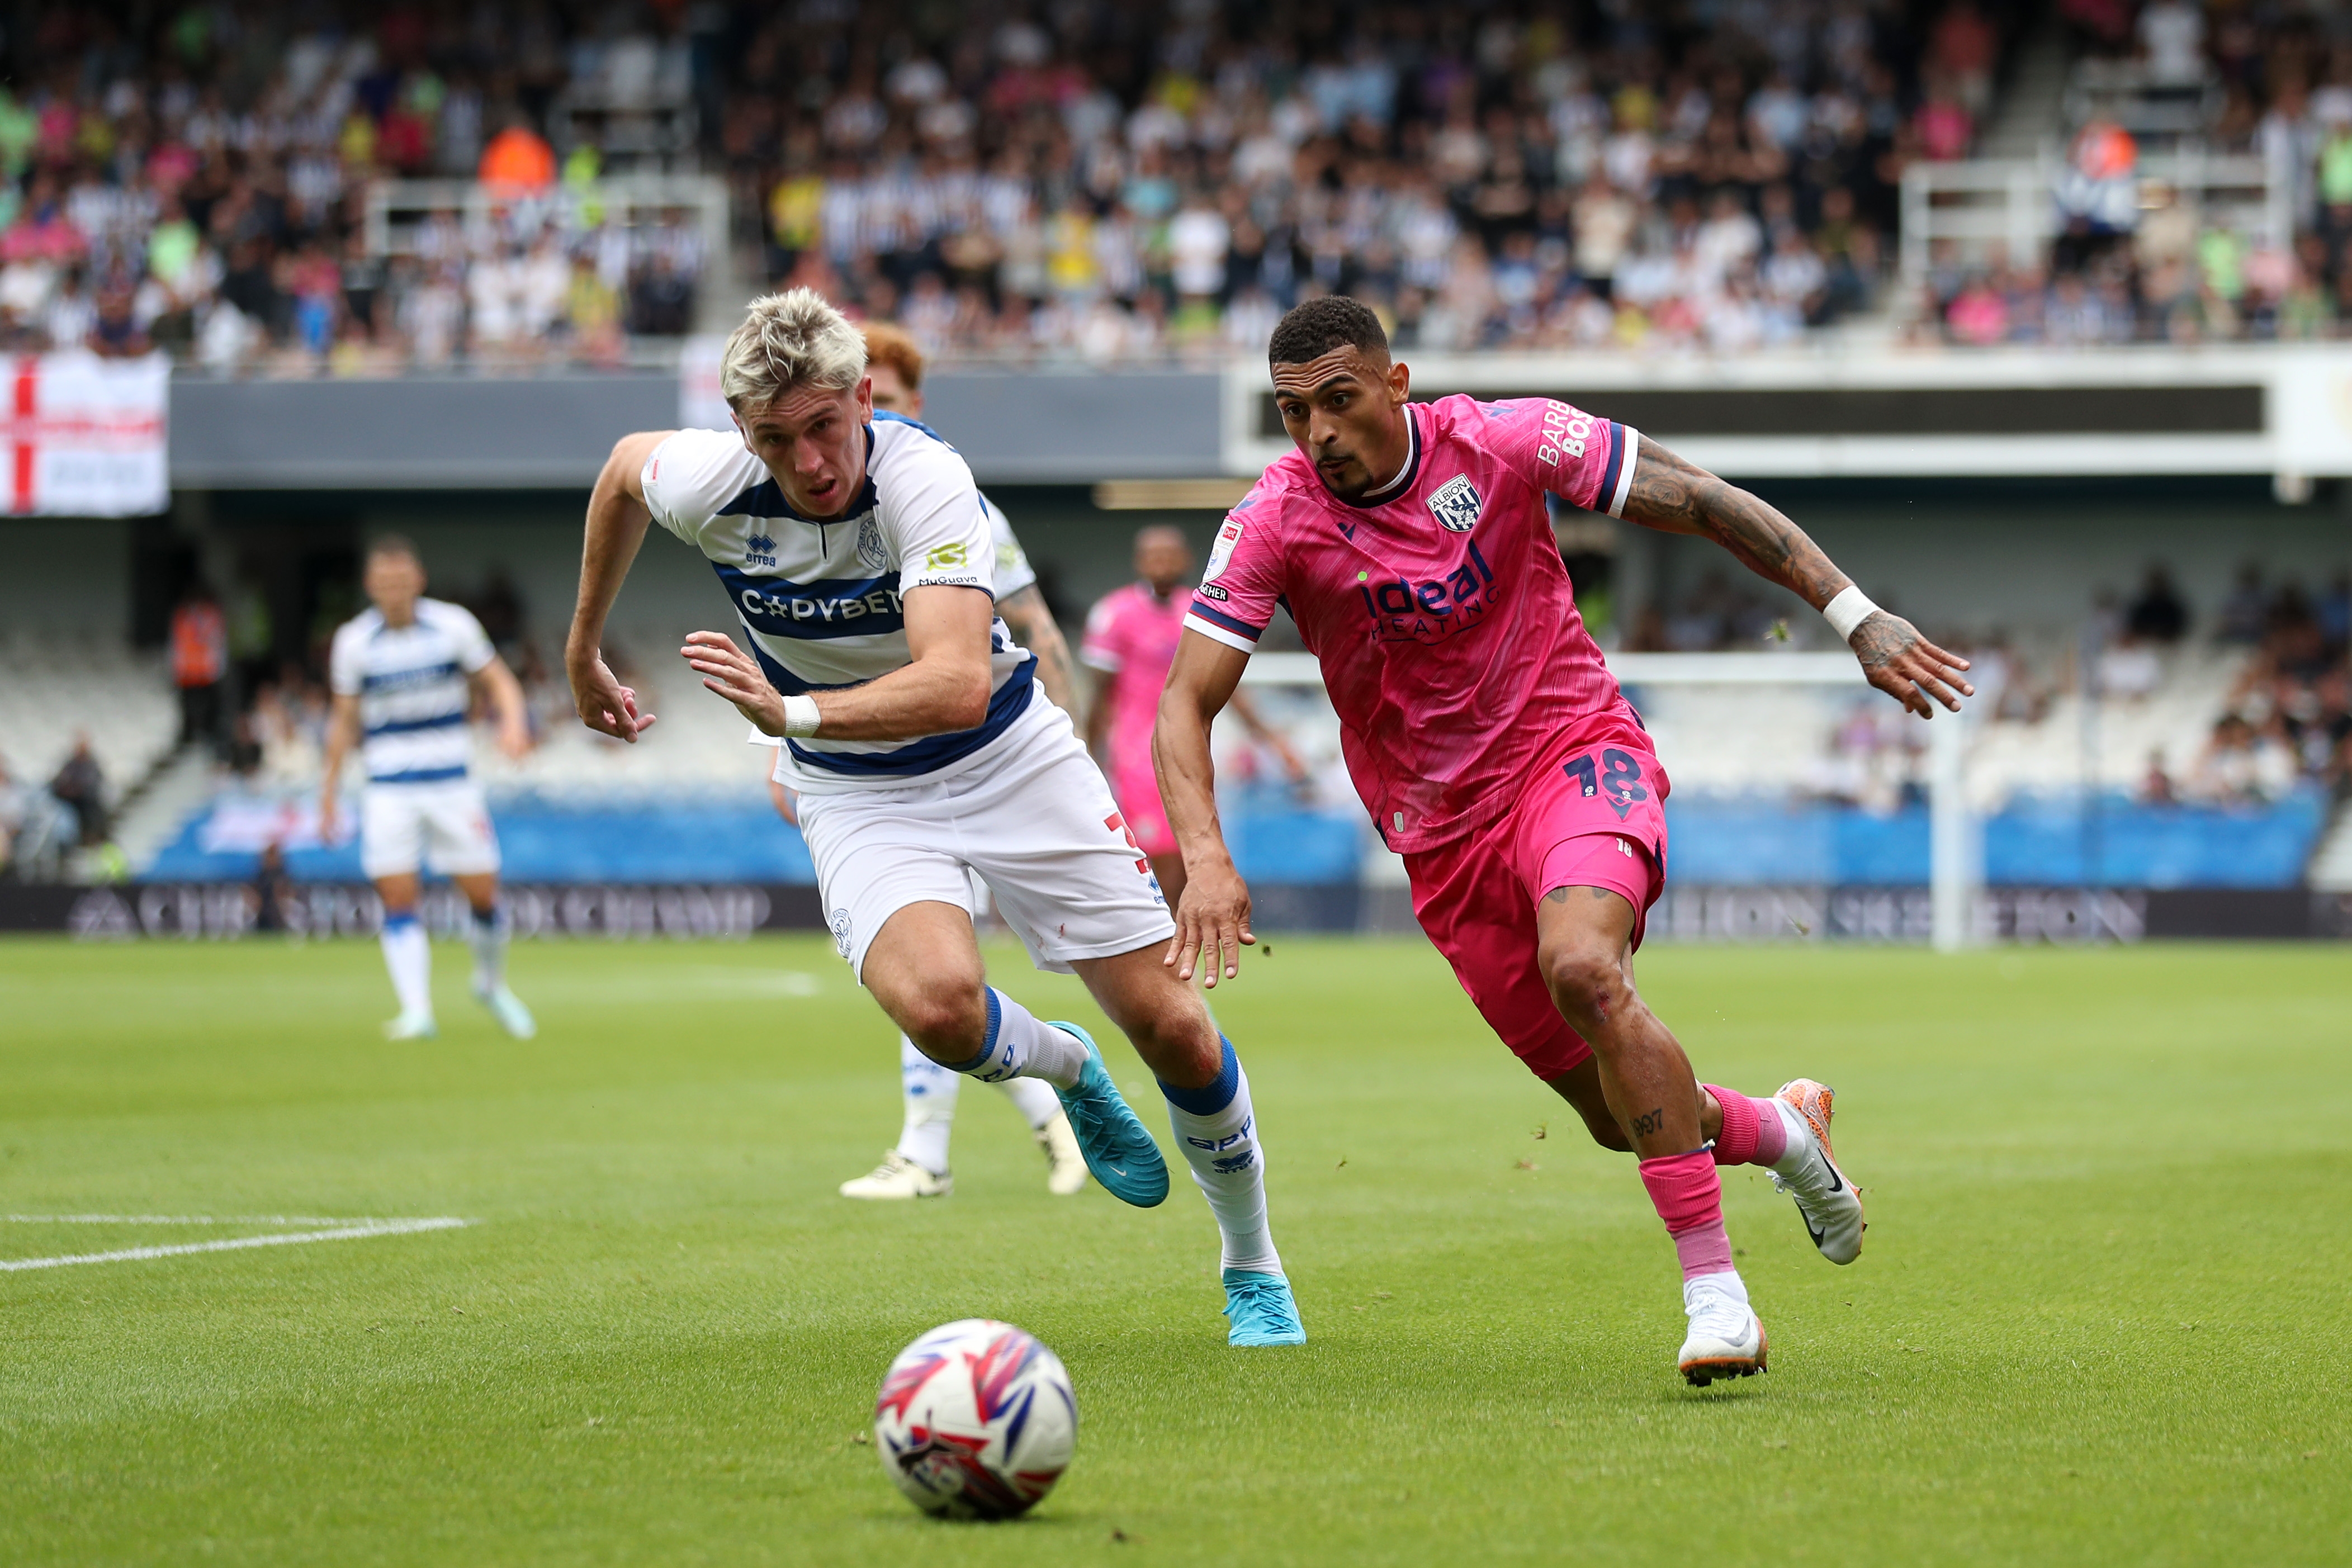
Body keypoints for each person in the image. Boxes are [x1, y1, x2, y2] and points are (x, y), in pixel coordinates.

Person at [1157, 297, 1973, 1384]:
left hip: (1573, 756)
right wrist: (1205, 852)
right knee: (1612, 1116)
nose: (1317, 434)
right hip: (1440, 839)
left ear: (1396, 384)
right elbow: (1183, 703)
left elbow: (1703, 501)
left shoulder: (1503, 439)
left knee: (1585, 963)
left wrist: (1853, 613)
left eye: (1339, 402)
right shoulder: (1274, 517)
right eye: (1293, 412)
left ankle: (1715, 1293)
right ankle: (1782, 1132)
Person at [567, 288, 1303, 1347]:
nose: (810, 461)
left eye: (825, 427)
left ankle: (1252, 1265)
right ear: (741, 431)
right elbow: (621, 469)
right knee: (941, 1011)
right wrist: (582, 646)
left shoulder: (927, 480)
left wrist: (791, 713)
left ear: (865, 398)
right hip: (858, 786)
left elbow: (957, 681)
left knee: (1177, 1029)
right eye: (777, 439)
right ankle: (1068, 1069)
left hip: (1007, 755)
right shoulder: (710, 480)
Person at [780, 322, 1088, 1203]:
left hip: (978, 766)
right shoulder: (802, 512)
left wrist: (1048, 757)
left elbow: (1034, 631)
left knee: (943, 979)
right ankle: (980, 1139)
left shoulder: (957, 506)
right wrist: (784, 746)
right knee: (934, 979)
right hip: (865, 771)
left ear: (895, 406)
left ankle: (951, 1146)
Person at [320, 537, 537, 1042]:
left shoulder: (453, 625)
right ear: (370, 585)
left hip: (452, 782)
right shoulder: (353, 642)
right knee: (398, 896)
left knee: (483, 893)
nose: (393, 589)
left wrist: (514, 725)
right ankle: (416, 1010)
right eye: (383, 581)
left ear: (418, 580)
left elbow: (499, 680)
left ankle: (489, 984)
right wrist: (327, 790)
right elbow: (343, 720)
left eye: (402, 579)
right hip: (388, 788)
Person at [1081, 525, 1308, 904]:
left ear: (1186, 560)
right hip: (1137, 755)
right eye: (1154, 556)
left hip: (1192, 747)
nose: (1162, 563)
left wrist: (1271, 742)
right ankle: (1163, 938)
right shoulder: (1113, 614)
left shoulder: (1202, 609)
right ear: (1140, 562)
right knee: (1158, 852)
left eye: (1169, 555)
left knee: (1191, 849)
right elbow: (1099, 695)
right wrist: (1092, 753)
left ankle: (1172, 938)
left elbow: (1229, 688)